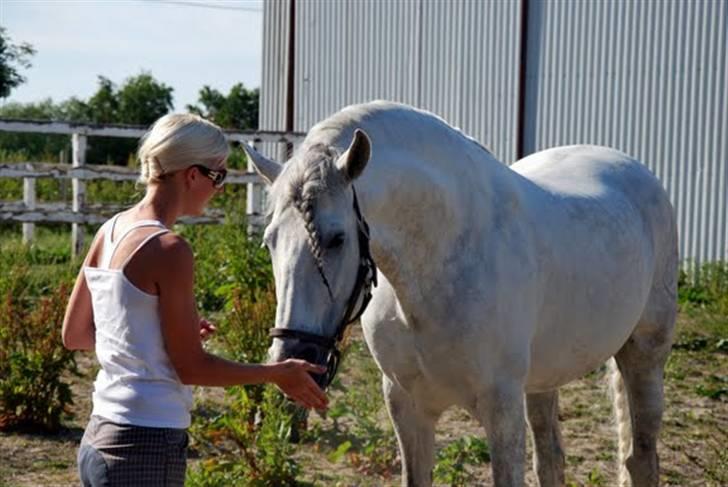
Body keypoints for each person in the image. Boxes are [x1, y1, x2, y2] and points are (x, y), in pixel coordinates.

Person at [62, 113, 328, 487]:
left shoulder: (110, 230)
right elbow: (191, 369)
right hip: (145, 445)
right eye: (218, 175)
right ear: (191, 174)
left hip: (98, 437)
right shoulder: (169, 249)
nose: (219, 187)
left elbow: (75, 333)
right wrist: (275, 373)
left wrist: (157, 335)